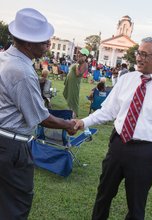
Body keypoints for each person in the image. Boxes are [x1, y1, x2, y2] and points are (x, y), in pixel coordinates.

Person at [73, 37, 152, 220]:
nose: (139, 58)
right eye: (139, 52)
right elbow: (108, 111)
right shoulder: (126, 80)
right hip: (118, 146)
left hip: (145, 152)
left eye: (145, 54)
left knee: (136, 205)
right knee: (103, 195)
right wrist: (84, 122)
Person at [0, 8, 76, 220]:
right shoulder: (22, 71)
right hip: (11, 146)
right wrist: (68, 124)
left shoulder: (4, 58)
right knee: (17, 203)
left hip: (4, 140)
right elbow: (42, 117)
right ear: (27, 43)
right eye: (44, 41)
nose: (48, 45)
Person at [63, 48, 89, 117]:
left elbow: (78, 74)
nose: (79, 55)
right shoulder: (79, 62)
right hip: (70, 82)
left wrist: (77, 65)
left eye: (81, 54)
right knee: (69, 96)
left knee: (73, 97)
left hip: (74, 83)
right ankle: (69, 111)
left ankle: (73, 113)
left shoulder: (84, 64)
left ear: (84, 56)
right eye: (79, 53)